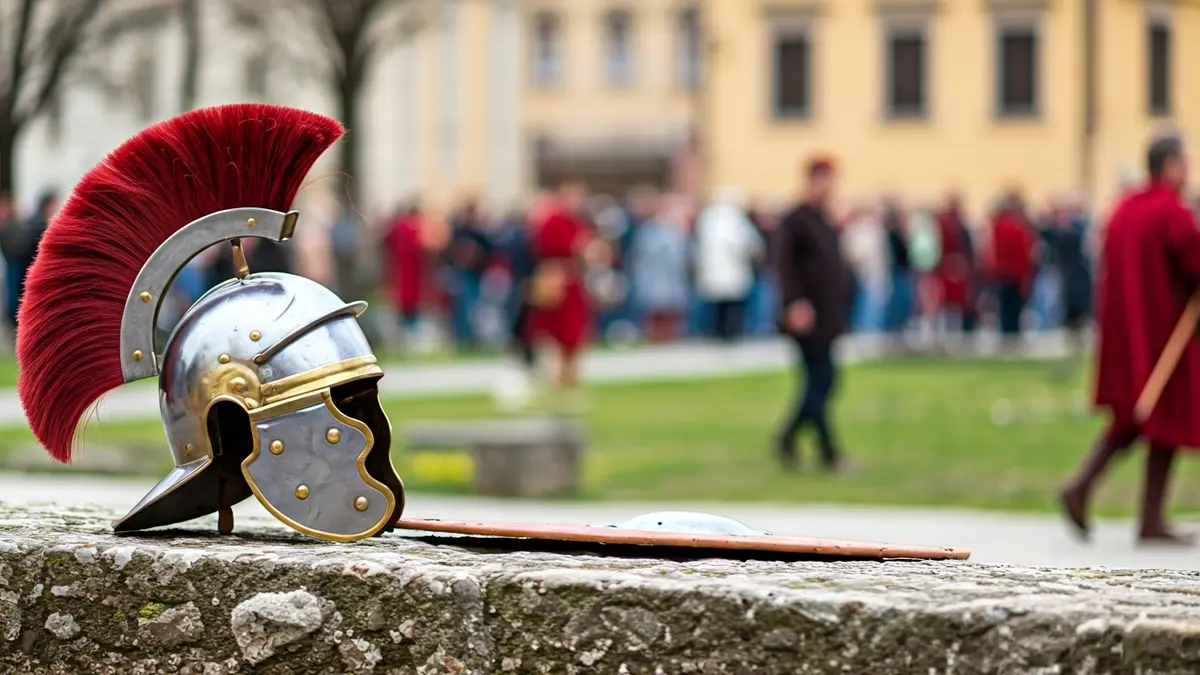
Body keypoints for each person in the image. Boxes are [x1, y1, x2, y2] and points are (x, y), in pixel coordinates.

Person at [1060, 131, 1200, 545]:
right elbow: (1193, 258)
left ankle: (1083, 487)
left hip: (1128, 334)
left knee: (1136, 418)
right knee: (1162, 418)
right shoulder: (1169, 211)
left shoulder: (1125, 208)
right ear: (1171, 166)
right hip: (1161, 333)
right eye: (1186, 161)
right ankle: (1147, 518)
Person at [774, 156, 853, 471]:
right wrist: (795, 303)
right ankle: (817, 447)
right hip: (808, 316)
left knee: (822, 382)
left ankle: (801, 442)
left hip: (827, 314)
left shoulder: (823, 219)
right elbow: (784, 266)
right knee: (820, 380)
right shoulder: (796, 220)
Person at [527, 179, 598, 406]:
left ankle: (571, 381)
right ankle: (555, 381)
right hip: (554, 281)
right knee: (554, 335)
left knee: (574, 335)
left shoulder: (576, 222)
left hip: (572, 281)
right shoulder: (552, 221)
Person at [694, 186, 763, 343]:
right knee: (731, 307)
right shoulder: (734, 219)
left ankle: (719, 332)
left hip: (715, 271)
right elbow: (745, 244)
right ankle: (729, 334)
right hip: (731, 271)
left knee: (719, 306)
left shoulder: (708, 217)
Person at [630, 193, 690, 342]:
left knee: (670, 313)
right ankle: (656, 339)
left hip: (668, 280)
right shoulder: (654, 231)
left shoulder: (671, 231)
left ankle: (668, 339)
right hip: (658, 279)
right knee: (657, 312)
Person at [987, 192, 1037, 346]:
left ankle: (1007, 336)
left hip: (1003, 273)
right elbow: (1023, 253)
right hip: (1014, 274)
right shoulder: (1016, 228)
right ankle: (1012, 337)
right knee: (1013, 308)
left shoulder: (998, 227)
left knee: (1006, 308)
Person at [383, 202, 427, 346]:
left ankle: (403, 335)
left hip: (400, 272)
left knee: (403, 304)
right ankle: (409, 335)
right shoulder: (412, 229)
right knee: (409, 305)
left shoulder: (397, 227)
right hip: (409, 273)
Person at [0, 192, 24, 334]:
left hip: (13, 264)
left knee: (13, 296)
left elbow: (17, 245)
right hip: (8, 265)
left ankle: (13, 322)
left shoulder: (14, 225)